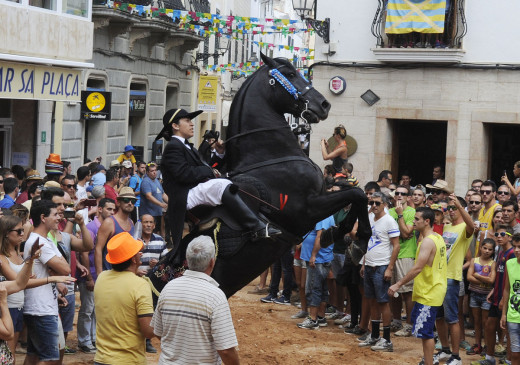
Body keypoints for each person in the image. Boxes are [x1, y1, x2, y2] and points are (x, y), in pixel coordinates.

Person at [157, 108, 280, 248]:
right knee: (220, 185)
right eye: (187, 120)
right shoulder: (173, 146)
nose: (192, 124)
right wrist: (208, 171)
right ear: (175, 126)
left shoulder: (186, 146)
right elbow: (183, 174)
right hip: (184, 196)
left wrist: (219, 155)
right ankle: (256, 227)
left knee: (230, 180)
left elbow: (207, 166)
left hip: (194, 189)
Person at [151, 235, 239, 364]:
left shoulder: (168, 288)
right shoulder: (216, 296)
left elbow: (158, 332)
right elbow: (226, 350)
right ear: (212, 262)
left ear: (186, 260)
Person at [0, 215, 73, 359]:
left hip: (20, 306)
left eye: (23, 230)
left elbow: (22, 282)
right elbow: (20, 283)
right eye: (19, 231)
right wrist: (52, 278)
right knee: (9, 354)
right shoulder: (2, 258)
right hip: (8, 307)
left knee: (15, 354)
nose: (22, 234)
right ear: (6, 233)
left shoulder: (18, 254)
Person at [388, 207, 447, 365]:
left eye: (417, 219)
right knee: (424, 330)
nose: (413, 221)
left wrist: (398, 284)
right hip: (432, 288)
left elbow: (418, 268)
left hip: (430, 291)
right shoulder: (437, 237)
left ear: (427, 221)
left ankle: (428, 362)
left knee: (426, 332)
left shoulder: (428, 241)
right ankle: (428, 360)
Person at [23, 200, 72, 365]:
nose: (59, 218)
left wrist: (56, 270)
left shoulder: (45, 240)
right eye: (55, 214)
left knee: (34, 355)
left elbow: (63, 267)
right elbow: (65, 269)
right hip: (41, 309)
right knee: (49, 359)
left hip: (42, 306)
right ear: (43, 217)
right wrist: (56, 270)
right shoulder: (41, 242)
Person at [94, 232, 154, 365]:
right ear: (133, 259)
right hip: (129, 360)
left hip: (101, 359)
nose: (141, 253)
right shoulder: (140, 285)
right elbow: (148, 332)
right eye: (138, 252)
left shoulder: (102, 278)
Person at [434, 195, 474, 365]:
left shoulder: (465, 227)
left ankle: (456, 356)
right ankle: (444, 349)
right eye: (449, 208)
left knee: (452, 318)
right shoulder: (448, 226)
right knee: (439, 317)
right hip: (439, 276)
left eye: (454, 208)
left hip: (452, 278)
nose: (450, 211)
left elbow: (472, 227)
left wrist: (461, 206)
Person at [359, 192, 400, 352]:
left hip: (382, 266)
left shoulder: (389, 221)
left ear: (384, 204)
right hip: (369, 264)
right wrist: (364, 263)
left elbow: (396, 245)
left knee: (383, 302)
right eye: (371, 203)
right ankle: (375, 335)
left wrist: (390, 268)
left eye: (377, 203)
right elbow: (368, 241)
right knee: (371, 300)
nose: (374, 206)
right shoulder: (370, 219)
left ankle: (387, 339)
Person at [77, 198, 116, 353]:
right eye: (109, 209)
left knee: (96, 309)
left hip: (100, 274)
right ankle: (84, 341)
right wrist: (89, 278)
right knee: (87, 309)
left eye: (114, 210)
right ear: (100, 209)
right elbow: (84, 254)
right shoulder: (91, 227)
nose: (112, 212)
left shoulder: (106, 226)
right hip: (90, 274)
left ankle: (92, 338)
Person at [471, 226, 515, 365]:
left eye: (503, 234)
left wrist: (504, 298)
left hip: (505, 299)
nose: (499, 237)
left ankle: (509, 360)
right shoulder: (501, 253)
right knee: (489, 327)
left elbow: (511, 280)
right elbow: (499, 277)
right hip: (496, 296)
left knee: (508, 331)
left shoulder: (512, 253)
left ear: (510, 237)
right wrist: (493, 291)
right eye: (497, 234)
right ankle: (489, 358)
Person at [388, 185, 417, 336]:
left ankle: (409, 325)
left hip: (406, 254)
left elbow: (406, 233)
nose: (399, 195)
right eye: (397, 193)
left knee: (407, 292)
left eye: (403, 194)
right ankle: (396, 321)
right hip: (391, 254)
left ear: (408, 197)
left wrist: (400, 216)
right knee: (393, 291)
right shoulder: (388, 211)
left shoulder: (411, 212)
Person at [94, 187, 135, 275]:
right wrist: (100, 275)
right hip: (110, 274)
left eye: (133, 201)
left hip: (126, 275)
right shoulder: (109, 222)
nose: (130, 203)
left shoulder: (131, 222)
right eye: (126, 200)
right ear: (119, 203)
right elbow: (98, 249)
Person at [466, 238, 496, 356]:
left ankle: (487, 346)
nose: (487, 251)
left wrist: (477, 275)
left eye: (490, 249)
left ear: (493, 251)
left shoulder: (493, 263)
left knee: (486, 323)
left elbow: (492, 280)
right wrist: (485, 280)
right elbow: (469, 277)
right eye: (485, 248)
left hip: (486, 297)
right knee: (476, 321)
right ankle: (478, 345)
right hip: (474, 294)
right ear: (481, 248)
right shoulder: (474, 260)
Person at [500, 233, 520, 365]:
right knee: (514, 353)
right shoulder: (509, 263)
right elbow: (507, 289)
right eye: (515, 246)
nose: (517, 250)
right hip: (513, 315)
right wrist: (503, 314)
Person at [139, 162, 168, 233]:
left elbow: (163, 194)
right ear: (147, 172)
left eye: (155, 170)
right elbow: (148, 196)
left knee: (156, 233)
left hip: (157, 213)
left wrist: (171, 203)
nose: (154, 172)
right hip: (148, 214)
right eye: (152, 171)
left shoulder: (157, 181)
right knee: (148, 233)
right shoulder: (146, 181)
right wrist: (161, 204)